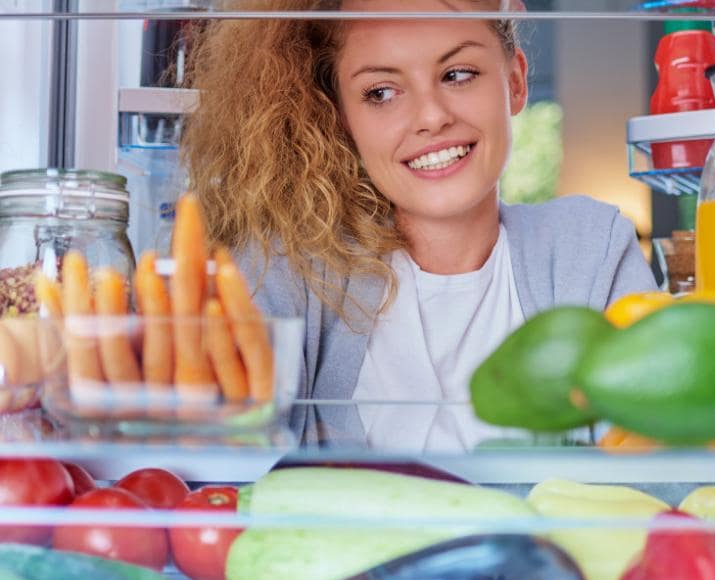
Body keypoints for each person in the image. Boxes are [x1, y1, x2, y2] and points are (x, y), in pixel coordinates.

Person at [182, 0, 657, 449]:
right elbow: (225, 470)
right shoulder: (286, 272)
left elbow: (657, 465)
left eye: (458, 74)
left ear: (515, 82)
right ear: (343, 119)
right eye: (381, 93)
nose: (431, 117)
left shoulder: (592, 248)